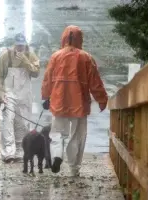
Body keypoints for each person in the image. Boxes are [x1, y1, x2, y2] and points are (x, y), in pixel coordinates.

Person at [41, 25, 108, 176]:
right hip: (79, 103)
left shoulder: (55, 56)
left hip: (59, 101)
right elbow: (95, 82)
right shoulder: (86, 57)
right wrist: (102, 99)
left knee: (57, 133)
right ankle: (74, 168)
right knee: (77, 136)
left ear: (64, 38)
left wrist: (45, 97)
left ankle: (57, 155)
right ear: (80, 39)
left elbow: (47, 79)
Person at [0, 33, 40, 163]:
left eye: (22, 46)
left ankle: (20, 150)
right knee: (8, 120)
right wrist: (0, 93)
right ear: (14, 45)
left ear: (25, 45)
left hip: (25, 95)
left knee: (23, 124)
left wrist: (26, 62)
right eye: (18, 46)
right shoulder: (6, 56)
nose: (20, 49)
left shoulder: (31, 55)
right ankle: (8, 152)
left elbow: (36, 73)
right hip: (9, 93)